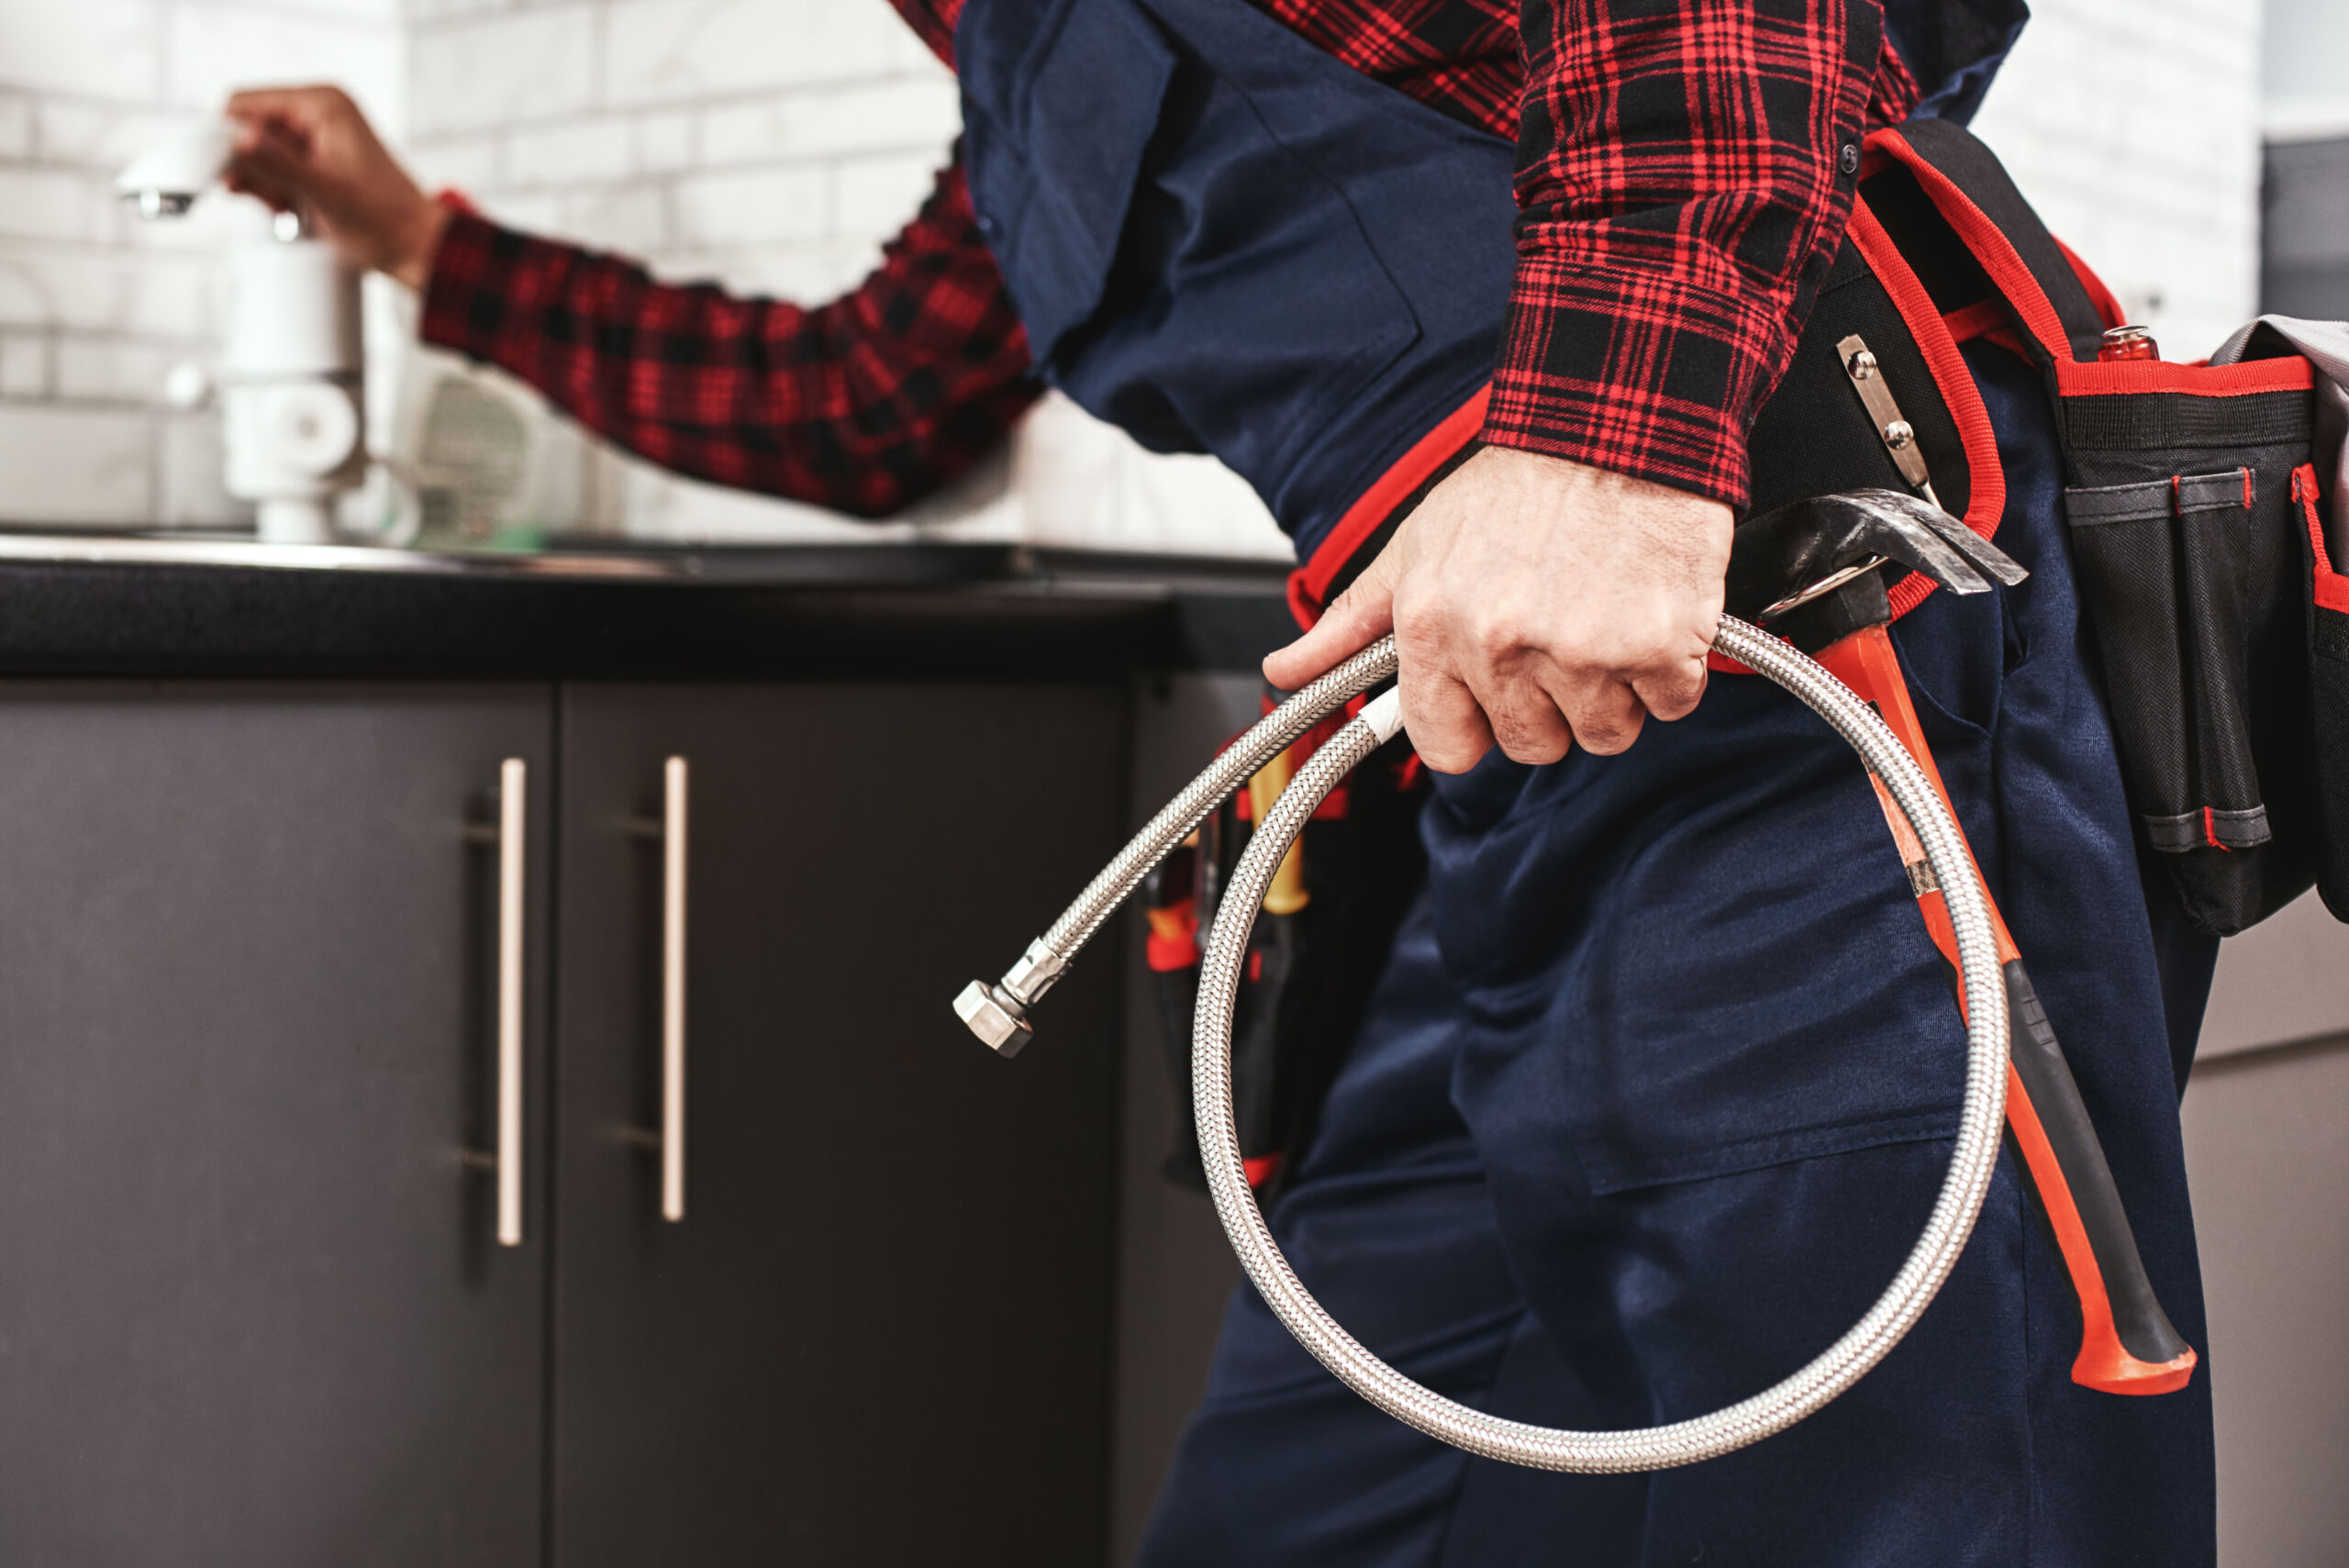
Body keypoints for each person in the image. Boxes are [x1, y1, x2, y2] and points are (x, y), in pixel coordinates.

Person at [224, 1, 2223, 1561]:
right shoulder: (1019, 65)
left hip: (1799, 660)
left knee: (1921, 1506)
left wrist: (1613, 441)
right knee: (1327, 1502)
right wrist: (417, 243)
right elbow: (859, 404)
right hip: (1498, 779)